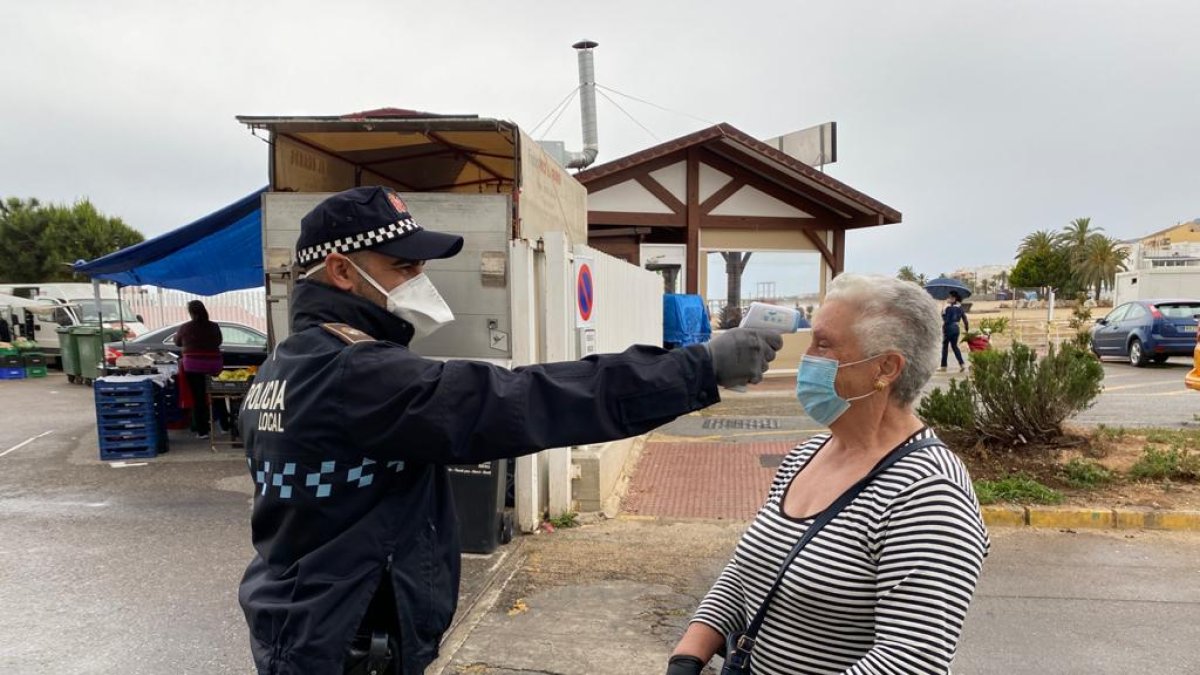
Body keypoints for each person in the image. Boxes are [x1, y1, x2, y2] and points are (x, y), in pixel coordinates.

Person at [237, 186, 782, 675]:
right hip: (347, 642)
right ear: (341, 271)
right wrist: (697, 367)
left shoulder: (286, 364)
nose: (421, 281)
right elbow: (523, 400)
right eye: (405, 268)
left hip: (302, 622)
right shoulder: (356, 372)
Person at [667, 274, 989, 675]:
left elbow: (910, 661)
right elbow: (747, 573)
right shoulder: (807, 454)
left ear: (885, 368)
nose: (806, 358)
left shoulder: (929, 492)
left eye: (823, 344)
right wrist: (688, 656)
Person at [174, 300, 227, 438]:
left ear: (191, 313)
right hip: (214, 364)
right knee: (218, 395)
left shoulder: (185, 327)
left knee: (199, 397)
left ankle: (203, 431)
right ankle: (225, 425)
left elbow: (177, 342)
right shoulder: (214, 326)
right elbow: (219, 341)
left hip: (193, 365)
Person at [941, 289, 969, 372]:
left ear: (954, 298)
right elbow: (965, 319)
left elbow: (946, 320)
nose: (948, 298)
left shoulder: (948, 308)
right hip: (956, 329)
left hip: (948, 328)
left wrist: (942, 312)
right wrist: (967, 328)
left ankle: (943, 366)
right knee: (954, 346)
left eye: (949, 297)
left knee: (945, 346)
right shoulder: (960, 307)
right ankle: (962, 364)